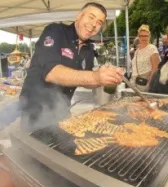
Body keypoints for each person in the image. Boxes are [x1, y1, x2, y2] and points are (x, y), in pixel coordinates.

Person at [19, 2, 123, 132]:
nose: (94, 24)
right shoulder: (55, 31)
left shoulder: (89, 48)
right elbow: (51, 73)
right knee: (35, 151)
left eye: (100, 22)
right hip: (35, 113)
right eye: (91, 17)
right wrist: (95, 77)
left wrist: (104, 78)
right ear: (78, 16)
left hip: (62, 112)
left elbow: (85, 79)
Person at [130, 24, 160, 92]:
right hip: (134, 82)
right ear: (138, 36)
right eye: (142, 36)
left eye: (146, 36)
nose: (144, 38)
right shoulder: (137, 50)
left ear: (149, 36)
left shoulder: (152, 49)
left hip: (145, 82)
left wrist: (149, 83)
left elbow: (155, 68)